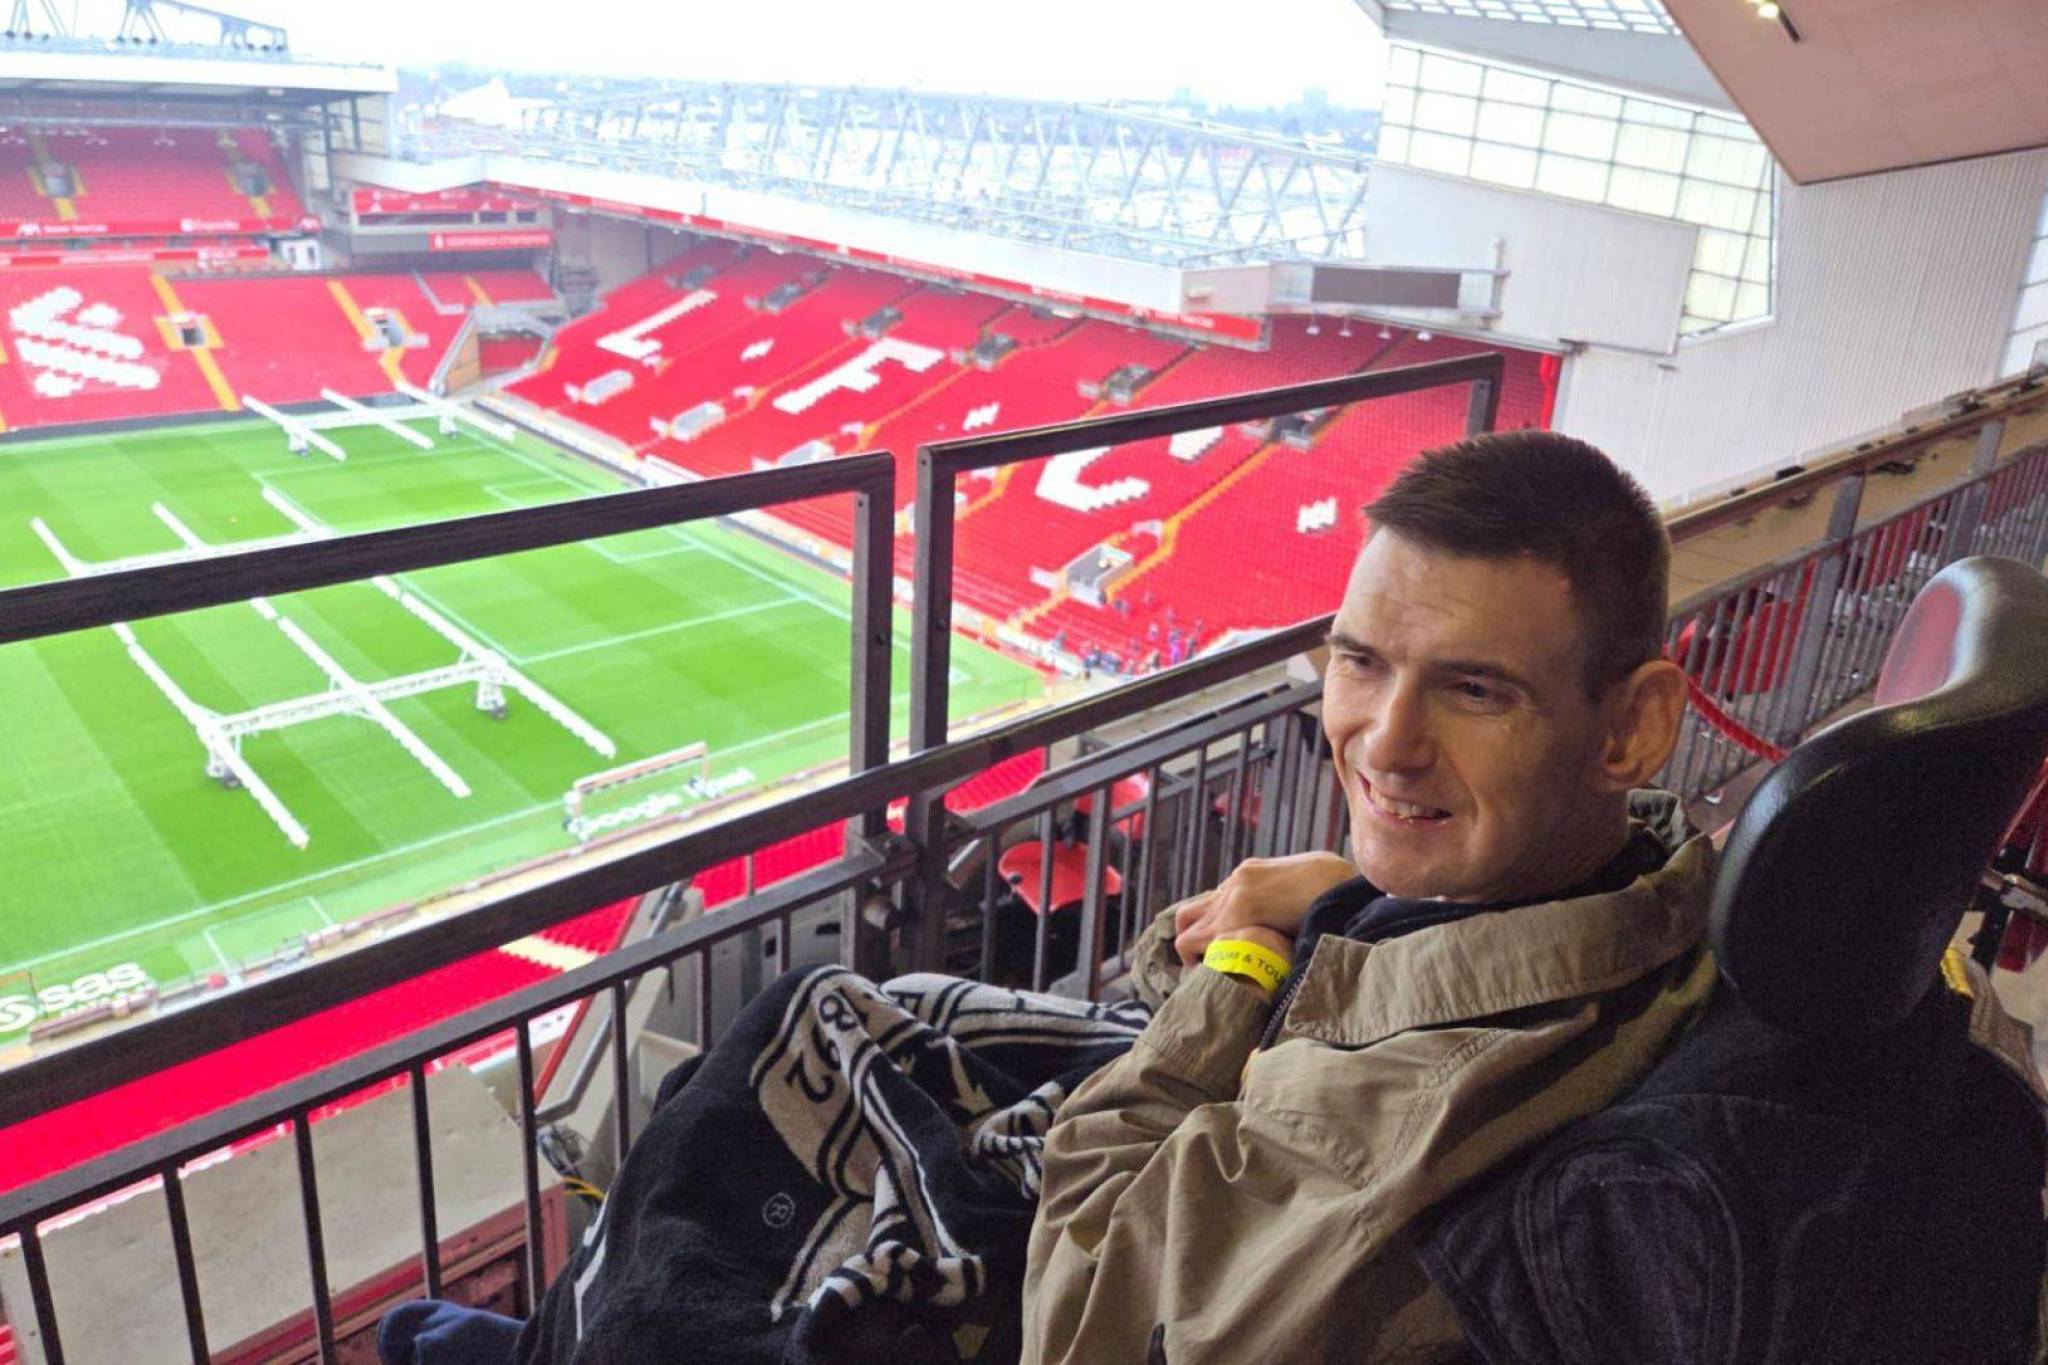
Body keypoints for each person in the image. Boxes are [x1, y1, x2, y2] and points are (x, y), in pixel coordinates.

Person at [1022, 431, 1706, 1362]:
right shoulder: (1659, 882)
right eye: (1361, 662)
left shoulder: (1397, 1121)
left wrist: (1244, 962)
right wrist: (1348, 892)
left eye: (1473, 689)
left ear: (1632, 725)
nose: (1385, 745)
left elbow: (1080, 1318)